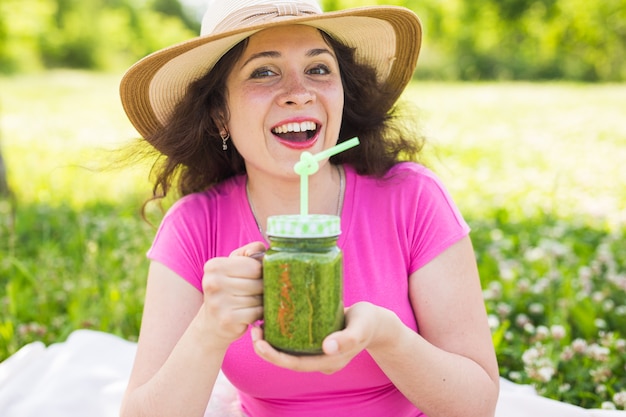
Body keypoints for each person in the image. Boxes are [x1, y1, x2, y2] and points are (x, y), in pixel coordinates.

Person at [118, 0, 500, 416]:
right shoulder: (194, 226)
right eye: (263, 71)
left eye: (319, 69)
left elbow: (476, 405)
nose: (299, 94)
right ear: (219, 115)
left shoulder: (412, 198)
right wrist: (209, 329)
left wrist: (386, 336)